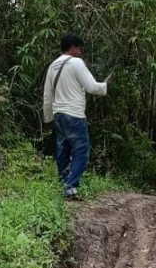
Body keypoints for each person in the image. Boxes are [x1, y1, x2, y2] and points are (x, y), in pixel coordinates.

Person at [43, 33, 111, 200]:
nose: (80, 51)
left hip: (58, 114)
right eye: (79, 48)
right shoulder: (76, 63)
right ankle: (71, 186)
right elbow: (92, 87)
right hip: (74, 114)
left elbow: (47, 95)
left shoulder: (53, 66)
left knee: (63, 150)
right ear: (72, 47)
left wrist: (48, 117)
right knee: (81, 151)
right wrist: (105, 85)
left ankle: (65, 182)